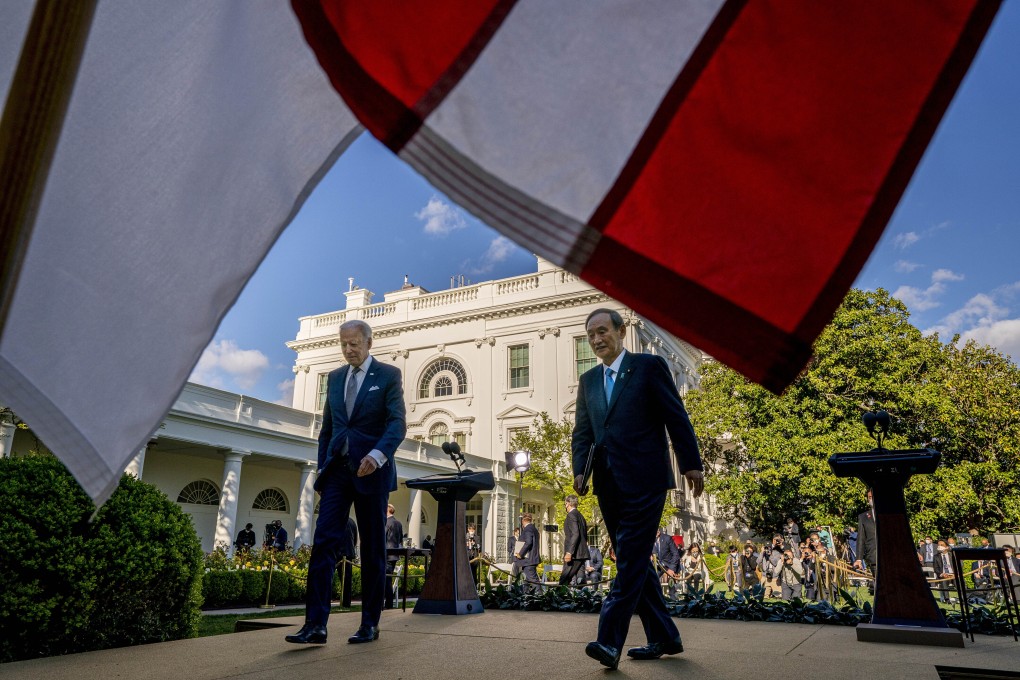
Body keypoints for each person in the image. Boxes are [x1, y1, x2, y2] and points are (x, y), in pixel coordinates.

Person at [571, 308, 703, 669]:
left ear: (620, 331)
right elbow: (582, 432)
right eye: (591, 335)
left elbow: (676, 416)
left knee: (628, 558)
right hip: (608, 484)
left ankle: (608, 641)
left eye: (602, 331)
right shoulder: (588, 381)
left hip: (647, 480)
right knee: (636, 561)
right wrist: (579, 471)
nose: (597, 340)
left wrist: (692, 463)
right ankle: (665, 636)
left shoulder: (648, 367)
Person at [286, 319, 406, 646]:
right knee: (324, 541)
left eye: (354, 343)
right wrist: (323, 470)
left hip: (372, 472)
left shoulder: (388, 376)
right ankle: (315, 625)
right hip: (337, 471)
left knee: (372, 549)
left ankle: (369, 624)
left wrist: (378, 455)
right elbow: (328, 429)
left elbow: (397, 425)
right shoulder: (335, 378)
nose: (349, 349)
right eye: (344, 344)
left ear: (369, 343)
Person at [560, 495, 590, 586]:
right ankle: (582, 599)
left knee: (564, 579)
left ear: (568, 503)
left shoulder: (571, 515)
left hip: (574, 554)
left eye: (565, 504)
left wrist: (569, 552)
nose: (565, 506)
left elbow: (575, 534)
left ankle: (558, 598)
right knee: (580, 580)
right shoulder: (581, 516)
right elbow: (584, 535)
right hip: (582, 553)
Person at [515, 513, 540, 592]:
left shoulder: (528, 529)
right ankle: (525, 597)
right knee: (526, 581)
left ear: (523, 520)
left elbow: (528, 542)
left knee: (533, 581)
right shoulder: (534, 529)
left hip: (528, 560)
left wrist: (520, 553)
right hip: (531, 559)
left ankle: (541, 597)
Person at [652, 527, 681, 598]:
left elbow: (675, 554)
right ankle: (657, 598)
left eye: (657, 530)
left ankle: (673, 599)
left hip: (670, 564)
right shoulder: (650, 540)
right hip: (659, 565)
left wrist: (671, 569)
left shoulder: (667, 538)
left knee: (671, 582)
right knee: (652, 579)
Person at [385, 503, 404, 609]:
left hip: (387, 554)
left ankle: (387, 604)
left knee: (386, 580)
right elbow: (401, 539)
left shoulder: (387, 522)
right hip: (395, 555)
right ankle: (388, 602)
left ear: (388, 510)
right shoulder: (399, 523)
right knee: (388, 579)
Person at [337, 517, 358, 608]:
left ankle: (325, 600)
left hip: (336, 552)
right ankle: (346, 602)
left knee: (328, 577)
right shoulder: (352, 522)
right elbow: (355, 539)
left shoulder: (335, 519)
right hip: (349, 552)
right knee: (347, 580)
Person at [933, 539, 955, 603]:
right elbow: (936, 568)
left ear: (947, 547)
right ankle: (947, 599)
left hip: (953, 574)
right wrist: (942, 574)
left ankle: (963, 599)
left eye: (942, 545)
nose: (939, 546)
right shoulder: (936, 557)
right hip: (943, 574)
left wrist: (955, 574)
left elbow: (960, 564)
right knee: (944, 581)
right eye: (939, 545)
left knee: (959, 581)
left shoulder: (952, 555)